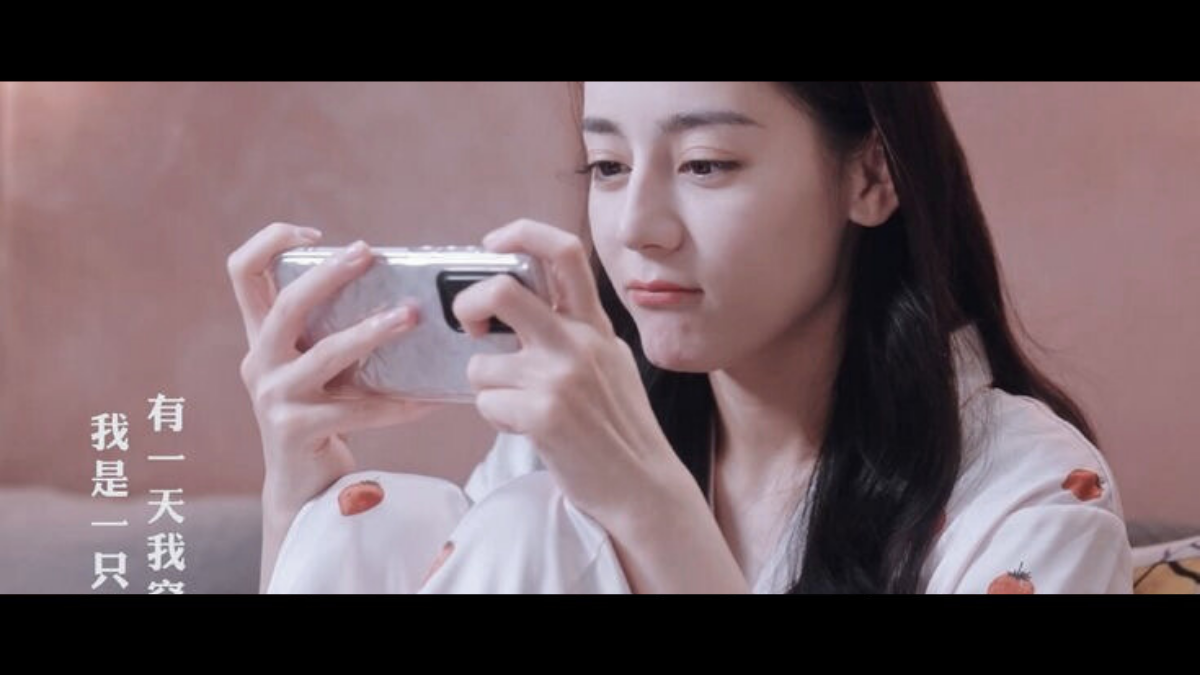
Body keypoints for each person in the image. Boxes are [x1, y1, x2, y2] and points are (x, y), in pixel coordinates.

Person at [226, 82, 1132, 594]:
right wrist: (300, 491)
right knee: (379, 515)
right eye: (609, 166)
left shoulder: (1031, 497)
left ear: (870, 178)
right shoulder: (553, 452)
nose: (637, 227)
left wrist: (648, 506)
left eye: (706, 164)